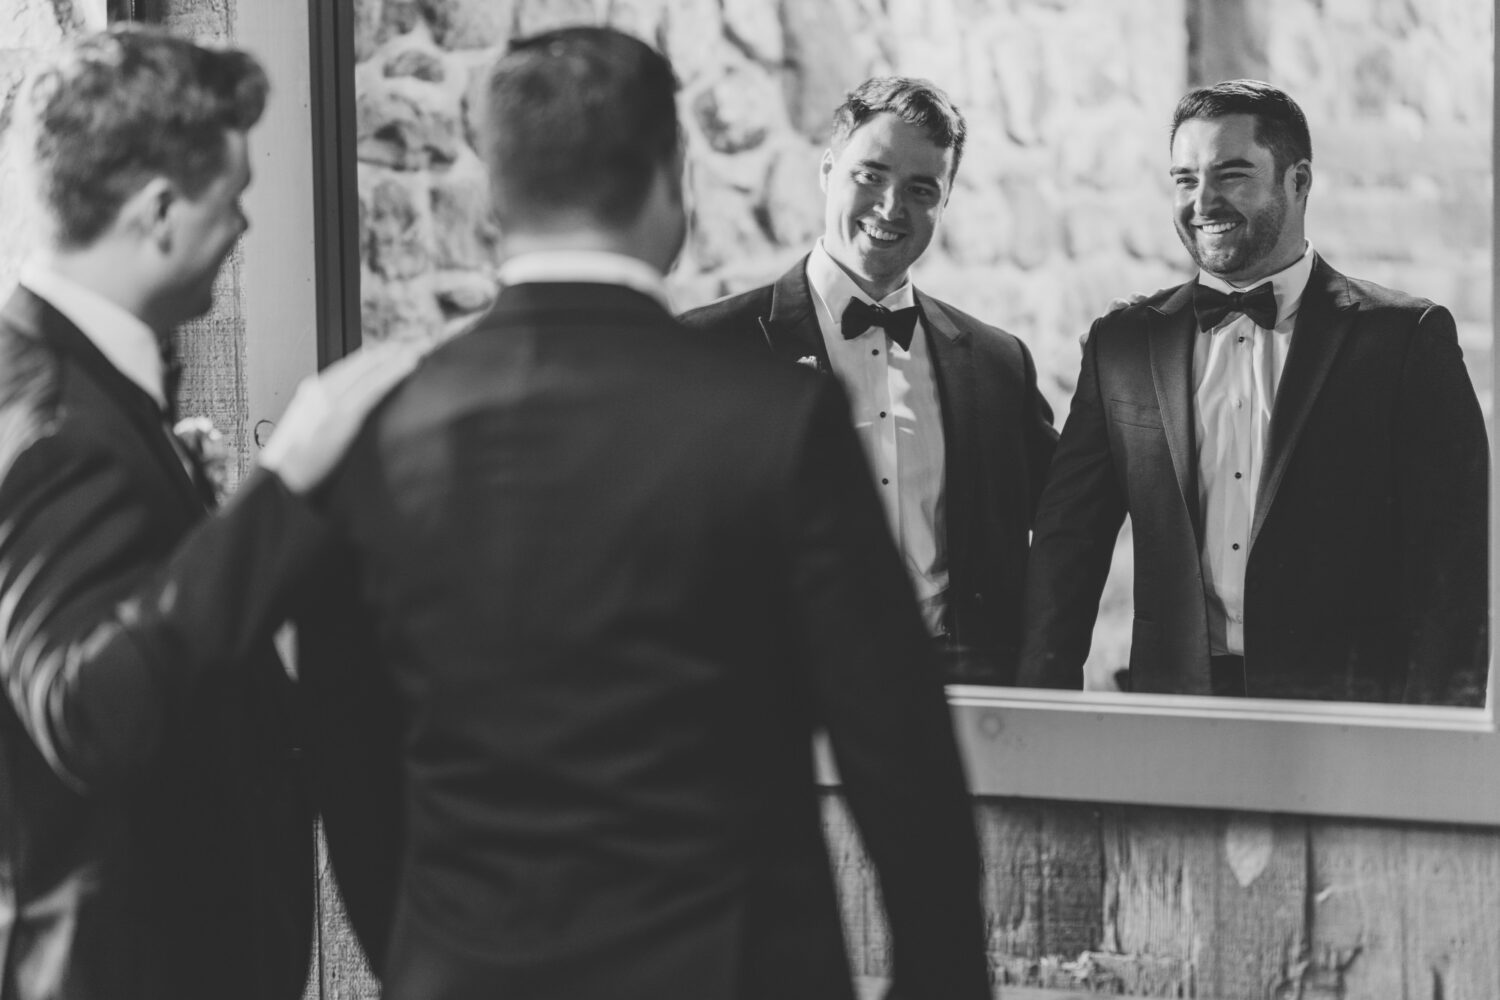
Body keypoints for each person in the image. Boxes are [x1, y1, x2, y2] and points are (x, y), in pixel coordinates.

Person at [300, 26, 991, 1000]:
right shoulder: (776, 421)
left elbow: (350, 765)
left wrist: (427, 967)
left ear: (494, 192)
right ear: (674, 176)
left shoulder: (373, 428)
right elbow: (899, 752)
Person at [0, 26, 419, 1000]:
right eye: (231, 202)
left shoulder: (66, 387)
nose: (243, 231)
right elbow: (84, 708)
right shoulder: (61, 423)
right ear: (156, 211)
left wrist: (180, 509)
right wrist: (287, 487)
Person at [1018, 79, 1488, 704]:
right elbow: (1067, 546)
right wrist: (1038, 716)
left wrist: (1435, 741)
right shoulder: (1123, 343)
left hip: (1350, 714)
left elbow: (1454, 565)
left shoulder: (1406, 339)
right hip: (1175, 706)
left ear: (1298, 182)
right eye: (1184, 179)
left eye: (1232, 174)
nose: (1202, 201)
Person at [677, 77, 1057, 685]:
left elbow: (1066, 517)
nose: (890, 207)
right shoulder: (710, 350)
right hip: (781, 688)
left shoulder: (997, 363)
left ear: (946, 199)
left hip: (964, 686)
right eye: (870, 175)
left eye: (920, 188)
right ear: (828, 170)